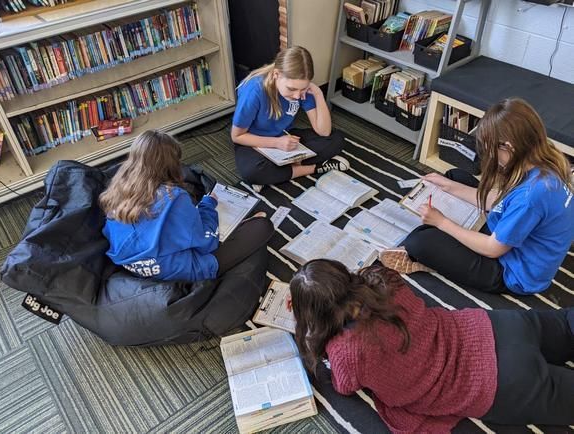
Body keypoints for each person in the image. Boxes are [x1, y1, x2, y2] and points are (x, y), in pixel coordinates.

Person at [289, 259, 574, 432]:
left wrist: (313, 333)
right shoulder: (384, 279)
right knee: (566, 324)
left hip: (498, 383)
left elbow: (344, 385)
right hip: (496, 327)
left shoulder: (346, 352)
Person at [381, 98, 574, 294]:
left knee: (419, 242)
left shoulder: (531, 196)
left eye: (490, 147)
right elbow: (502, 201)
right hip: (510, 236)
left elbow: (493, 249)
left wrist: (442, 223)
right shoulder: (543, 161)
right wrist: (450, 186)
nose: (489, 154)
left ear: (508, 147)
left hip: (511, 272)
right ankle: (445, 235)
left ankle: (433, 255)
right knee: (455, 176)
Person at [99, 130, 274, 282]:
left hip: (135, 267)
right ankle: (242, 225)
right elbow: (207, 243)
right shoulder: (173, 197)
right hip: (178, 270)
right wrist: (207, 205)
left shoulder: (117, 188)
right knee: (263, 226)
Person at [231, 46, 349, 190]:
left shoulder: (301, 89)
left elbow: (324, 132)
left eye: (303, 89)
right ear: (276, 74)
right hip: (254, 142)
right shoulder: (254, 91)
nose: (298, 96)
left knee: (336, 140)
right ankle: (314, 168)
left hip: (286, 137)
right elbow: (237, 136)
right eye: (292, 89)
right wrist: (276, 143)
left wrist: (318, 94)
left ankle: (276, 173)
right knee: (252, 172)